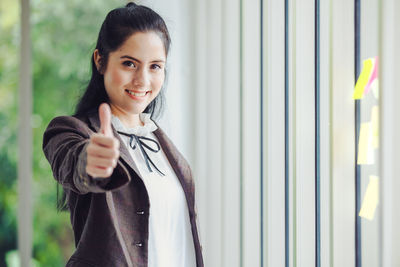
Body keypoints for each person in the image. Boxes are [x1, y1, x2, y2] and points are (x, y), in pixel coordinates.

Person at [42, 2, 203, 267]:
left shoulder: (159, 141)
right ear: (100, 61)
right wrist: (91, 160)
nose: (143, 80)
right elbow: (71, 163)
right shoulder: (72, 131)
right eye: (129, 63)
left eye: (155, 66)